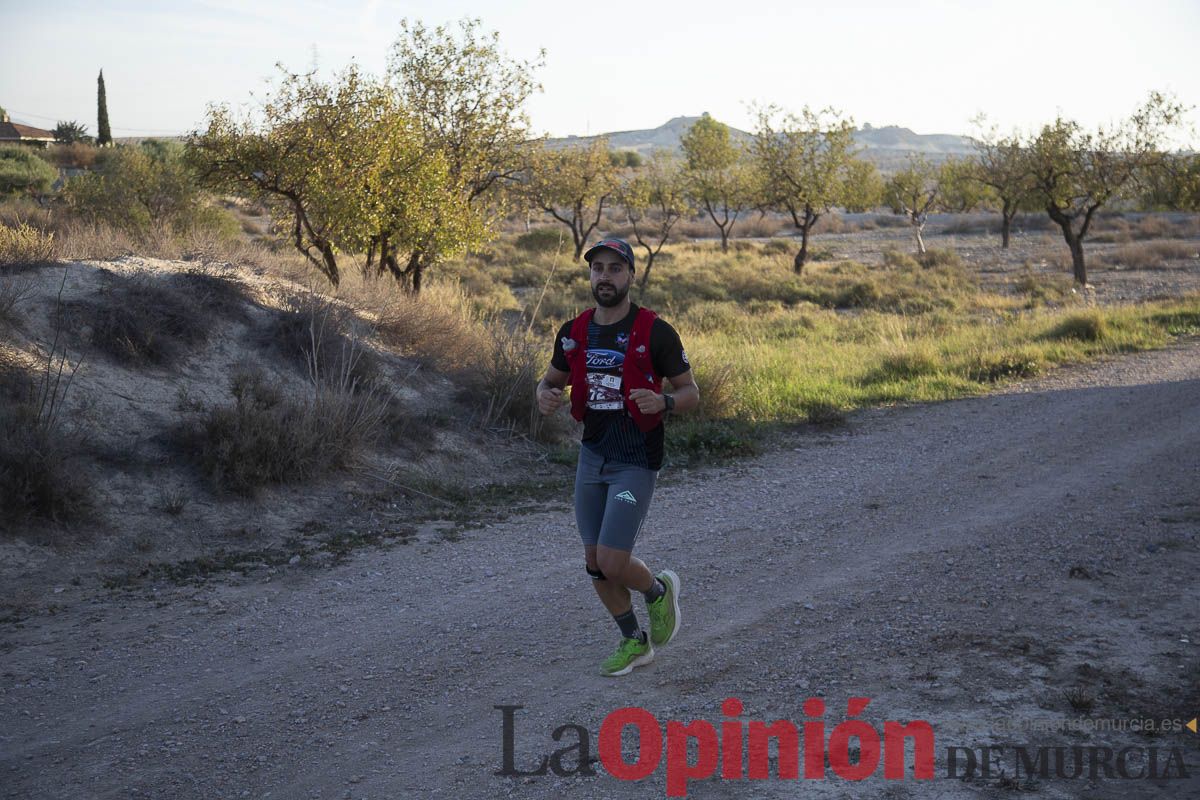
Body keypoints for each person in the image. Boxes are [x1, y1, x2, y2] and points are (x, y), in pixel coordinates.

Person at [536, 237, 699, 677]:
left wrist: (663, 402)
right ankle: (633, 640)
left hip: (636, 460)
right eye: (597, 269)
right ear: (590, 276)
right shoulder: (574, 332)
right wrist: (545, 397)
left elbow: (690, 392)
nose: (604, 276)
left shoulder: (655, 331)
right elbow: (549, 381)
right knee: (595, 563)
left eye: (614, 269)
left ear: (630, 276)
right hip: (592, 458)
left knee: (613, 560)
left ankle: (658, 592)